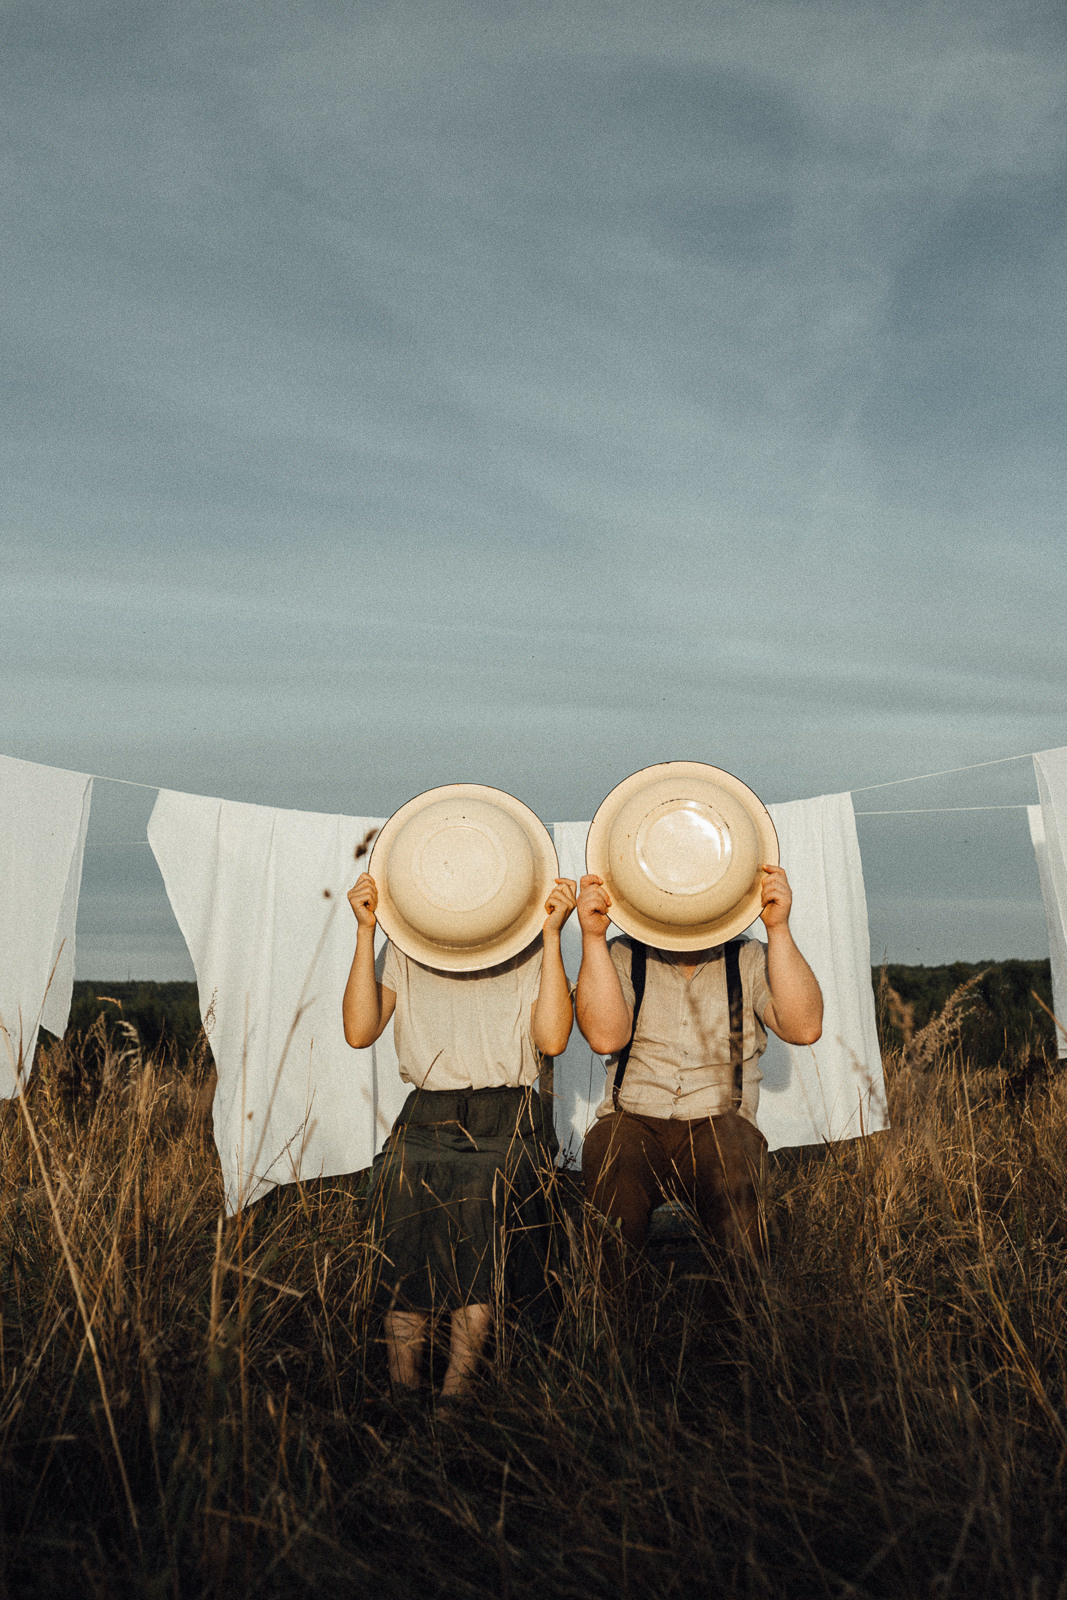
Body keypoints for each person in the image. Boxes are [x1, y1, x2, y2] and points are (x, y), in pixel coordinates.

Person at [343, 870, 576, 1401]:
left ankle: (457, 1391)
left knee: (480, 1196)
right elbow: (359, 1031)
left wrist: (552, 938)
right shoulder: (407, 946)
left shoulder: (531, 948)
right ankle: (403, 1387)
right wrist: (365, 932)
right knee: (398, 1192)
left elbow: (553, 1040)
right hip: (426, 1114)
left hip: (509, 1116)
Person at [575, 863, 822, 1275]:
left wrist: (778, 929)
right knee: (614, 1183)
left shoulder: (749, 957)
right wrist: (593, 939)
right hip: (632, 1120)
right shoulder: (621, 953)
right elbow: (605, 1037)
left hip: (721, 1123)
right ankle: (616, 1315)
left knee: (737, 1189)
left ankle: (743, 1314)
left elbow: (805, 1027)